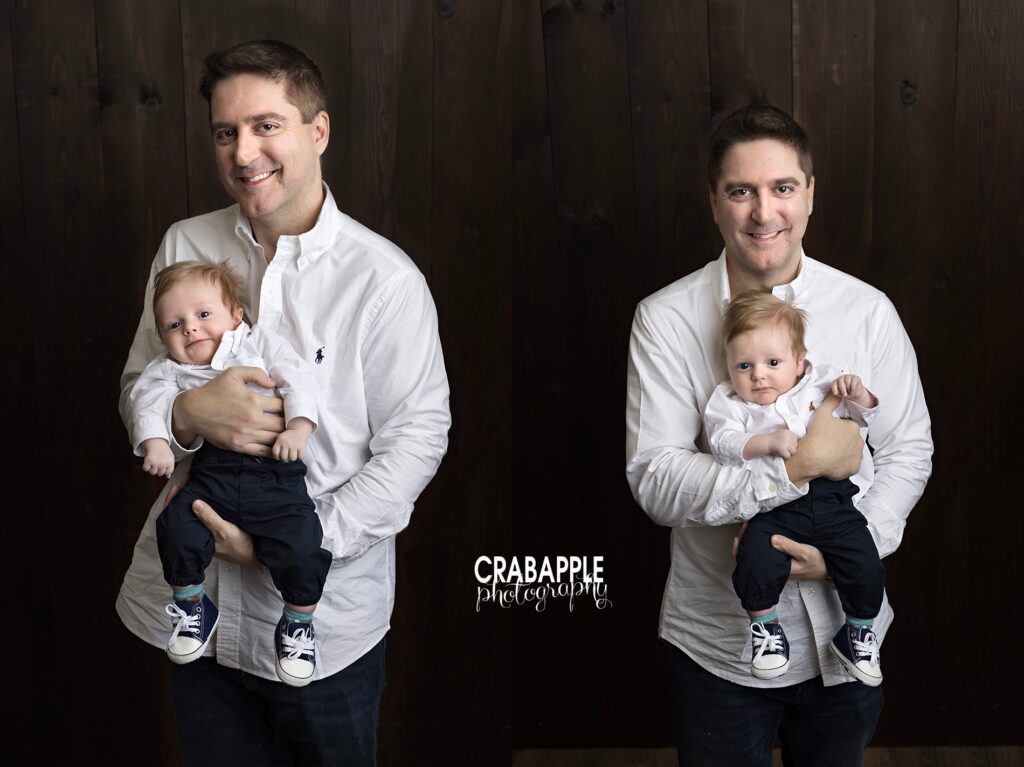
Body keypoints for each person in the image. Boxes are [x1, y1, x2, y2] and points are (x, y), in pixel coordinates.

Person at [117, 40, 450, 765]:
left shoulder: (384, 279)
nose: (244, 153)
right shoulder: (185, 244)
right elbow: (138, 384)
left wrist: (297, 538)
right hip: (194, 609)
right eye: (225, 132)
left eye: (267, 125)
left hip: (322, 624)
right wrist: (188, 416)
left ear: (317, 131)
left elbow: (418, 439)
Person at [625, 105, 932, 766]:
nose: (764, 213)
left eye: (782, 188)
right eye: (741, 191)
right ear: (715, 202)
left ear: (810, 193)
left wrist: (855, 545)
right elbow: (655, 476)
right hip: (721, 649)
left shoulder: (866, 310)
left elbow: (909, 447)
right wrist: (790, 472)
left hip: (849, 639)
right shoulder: (664, 320)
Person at [129, 260, 329, 687]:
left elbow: (300, 378)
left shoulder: (259, 345)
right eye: (174, 325)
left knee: (303, 541)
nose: (190, 329)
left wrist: (299, 426)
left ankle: (297, 622)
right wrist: (157, 442)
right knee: (176, 523)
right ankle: (192, 605)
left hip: (275, 472)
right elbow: (146, 399)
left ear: (236, 314)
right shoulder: (170, 369)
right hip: (212, 474)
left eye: (203, 315)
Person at [704, 291, 884, 686]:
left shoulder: (820, 386)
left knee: (864, 558)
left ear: (799, 362)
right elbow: (723, 442)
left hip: (833, 500)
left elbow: (863, 416)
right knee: (754, 557)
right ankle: (765, 630)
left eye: (772, 363)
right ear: (729, 366)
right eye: (743, 365)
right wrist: (763, 443)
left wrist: (858, 394)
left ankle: (858, 631)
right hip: (775, 504)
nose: (758, 375)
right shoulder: (731, 403)